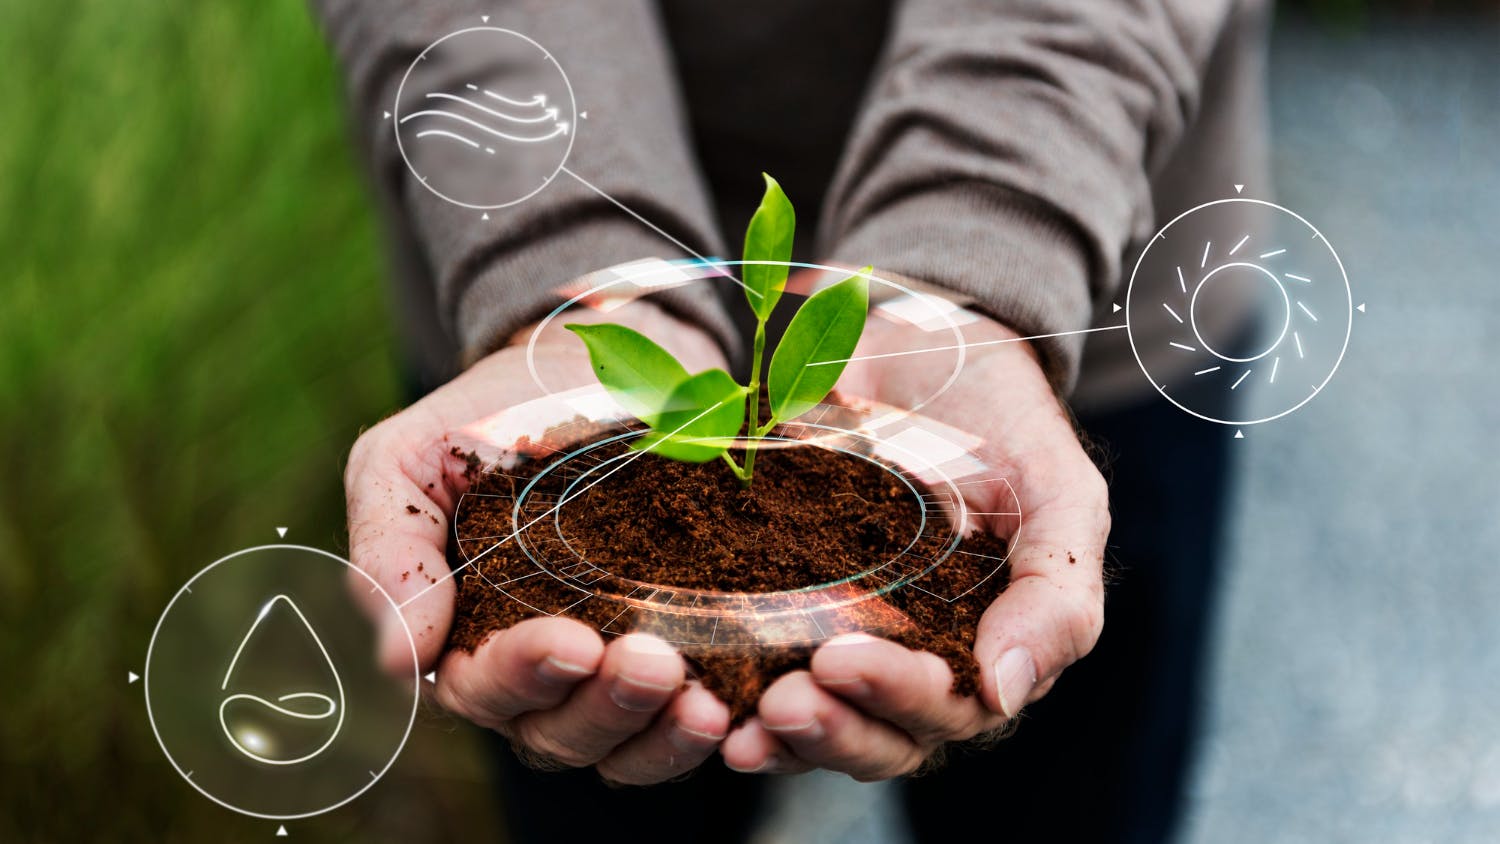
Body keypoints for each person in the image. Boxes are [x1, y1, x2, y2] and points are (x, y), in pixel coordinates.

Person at [317, 1, 1270, 840]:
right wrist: (564, 248)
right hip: (527, 307)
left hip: (1075, 246)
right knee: (598, 763)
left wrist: (988, 237)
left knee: (1064, 789)